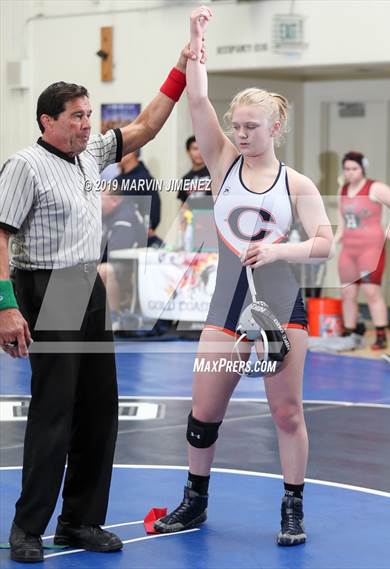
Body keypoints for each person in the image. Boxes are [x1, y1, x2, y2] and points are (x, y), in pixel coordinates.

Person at [0, 43, 202, 563]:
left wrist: (180, 69)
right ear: (47, 120)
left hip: (83, 284)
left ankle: (80, 521)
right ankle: (28, 528)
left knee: (98, 408)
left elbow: (147, 126)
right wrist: (5, 305)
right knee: (54, 410)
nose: (87, 124)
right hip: (46, 284)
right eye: (76, 116)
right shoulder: (23, 166)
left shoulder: (91, 154)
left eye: (90, 114)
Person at [154, 6, 334, 547]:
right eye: (238, 126)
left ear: (276, 128)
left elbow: (324, 243)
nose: (242, 133)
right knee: (203, 413)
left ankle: (293, 506)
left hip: (281, 310)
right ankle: (195, 500)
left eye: (252, 127)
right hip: (226, 311)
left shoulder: (296, 183)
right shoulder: (222, 164)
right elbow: (198, 99)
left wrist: (280, 252)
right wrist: (195, 40)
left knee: (286, 412)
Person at [336, 151, 390, 349]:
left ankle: (381, 334)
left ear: (362, 168)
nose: (350, 173)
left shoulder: (374, 187)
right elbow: (342, 217)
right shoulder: (343, 189)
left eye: (354, 169)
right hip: (349, 248)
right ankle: (349, 333)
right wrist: (338, 235)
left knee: (371, 292)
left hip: (370, 248)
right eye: (347, 169)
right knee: (347, 293)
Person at [99, 187, 147, 329]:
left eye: (101, 198)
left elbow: (115, 250)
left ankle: (114, 316)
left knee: (104, 270)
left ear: (115, 201)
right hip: (117, 261)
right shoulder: (107, 216)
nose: (97, 202)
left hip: (129, 265)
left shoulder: (124, 216)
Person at [115, 150, 163, 247]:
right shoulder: (116, 180)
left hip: (138, 240)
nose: (116, 154)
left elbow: (153, 212)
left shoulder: (145, 179)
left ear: (132, 152)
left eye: (119, 150)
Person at [177, 135, 212, 210]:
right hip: (192, 220)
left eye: (201, 148)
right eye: (195, 149)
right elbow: (183, 206)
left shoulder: (213, 174)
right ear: (188, 151)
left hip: (211, 219)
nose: (199, 153)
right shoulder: (185, 179)